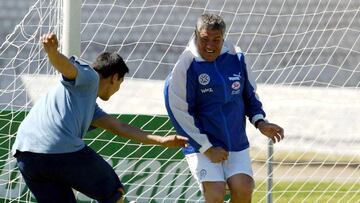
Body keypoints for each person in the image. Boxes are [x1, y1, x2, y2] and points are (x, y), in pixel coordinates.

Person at [12, 33, 188, 203]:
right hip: (57, 147)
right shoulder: (90, 77)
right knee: (113, 192)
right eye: (120, 83)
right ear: (115, 78)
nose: (118, 89)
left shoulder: (88, 107)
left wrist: (162, 140)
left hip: (25, 155)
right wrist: (53, 53)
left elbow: (120, 127)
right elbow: (67, 69)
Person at [164, 13, 284, 203]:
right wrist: (207, 147)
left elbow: (249, 96)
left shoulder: (237, 58)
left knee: (244, 188)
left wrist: (260, 122)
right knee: (215, 193)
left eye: (216, 40)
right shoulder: (185, 66)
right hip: (202, 145)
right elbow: (178, 112)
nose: (210, 45)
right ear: (196, 35)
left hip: (236, 143)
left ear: (223, 38)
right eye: (205, 39)